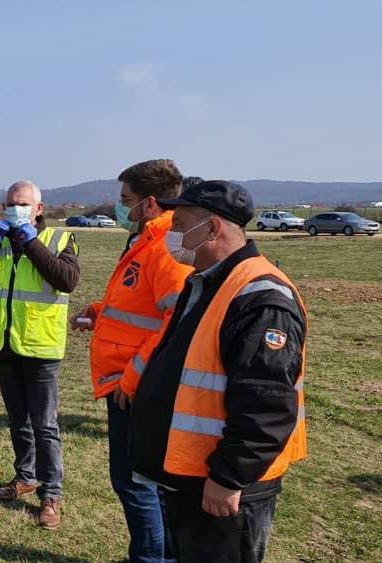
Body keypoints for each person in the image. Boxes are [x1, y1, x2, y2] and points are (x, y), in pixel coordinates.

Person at [130, 180, 307, 563]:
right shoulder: (208, 283)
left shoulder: (260, 298)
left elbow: (267, 405)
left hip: (224, 487)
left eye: (179, 225)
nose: (172, 234)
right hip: (193, 477)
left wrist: (228, 477)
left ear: (212, 228)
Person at [71, 159, 192, 561]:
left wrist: (132, 379)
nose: (121, 208)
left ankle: (150, 558)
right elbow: (143, 310)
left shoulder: (165, 248)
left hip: (135, 387)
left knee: (135, 482)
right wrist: (100, 311)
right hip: (127, 382)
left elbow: (175, 322)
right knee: (145, 481)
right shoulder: (146, 241)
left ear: (151, 202)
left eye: (126, 200)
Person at [0, 180, 80, 529]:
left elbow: (67, 280)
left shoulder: (58, 240)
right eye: (10, 204)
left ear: (38, 209)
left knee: (44, 425)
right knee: (18, 421)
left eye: (23, 204)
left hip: (41, 347)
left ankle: (51, 494)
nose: (15, 209)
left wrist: (31, 242)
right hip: (4, 345)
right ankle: (24, 476)